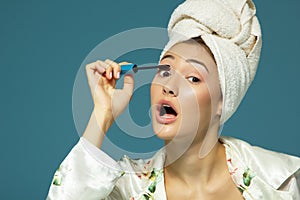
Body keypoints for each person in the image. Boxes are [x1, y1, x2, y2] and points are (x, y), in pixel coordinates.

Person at [47, 0, 300, 199]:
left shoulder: (283, 181)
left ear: (222, 102)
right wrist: (102, 114)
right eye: (165, 71)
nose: (169, 86)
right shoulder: (126, 188)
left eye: (193, 78)